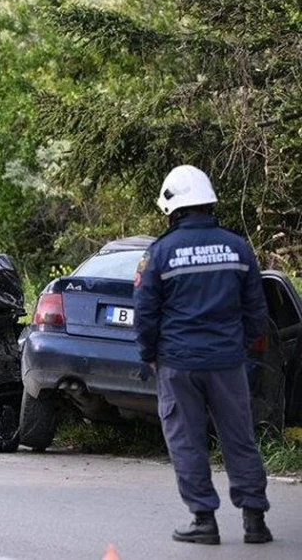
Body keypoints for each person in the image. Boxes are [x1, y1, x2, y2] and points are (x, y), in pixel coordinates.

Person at [134, 165, 272, 545]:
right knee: (239, 438)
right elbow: (256, 310)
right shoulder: (237, 246)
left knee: (187, 440)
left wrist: (149, 354)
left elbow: (145, 313)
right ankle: (255, 521)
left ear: (173, 207)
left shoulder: (160, 253)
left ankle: (203, 520)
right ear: (208, 202)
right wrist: (239, 346)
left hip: (177, 363)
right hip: (227, 362)